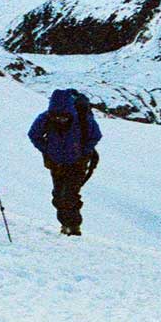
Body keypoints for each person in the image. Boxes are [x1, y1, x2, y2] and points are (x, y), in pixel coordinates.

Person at [27, 88, 103, 236]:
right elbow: (33, 135)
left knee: (69, 196)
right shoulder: (46, 118)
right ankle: (65, 225)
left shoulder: (82, 119)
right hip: (56, 165)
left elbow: (95, 136)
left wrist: (84, 153)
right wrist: (46, 150)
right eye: (56, 117)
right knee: (58, 196)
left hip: (77, 165)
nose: (60, 120)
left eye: (63, 117)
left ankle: (73, 228)